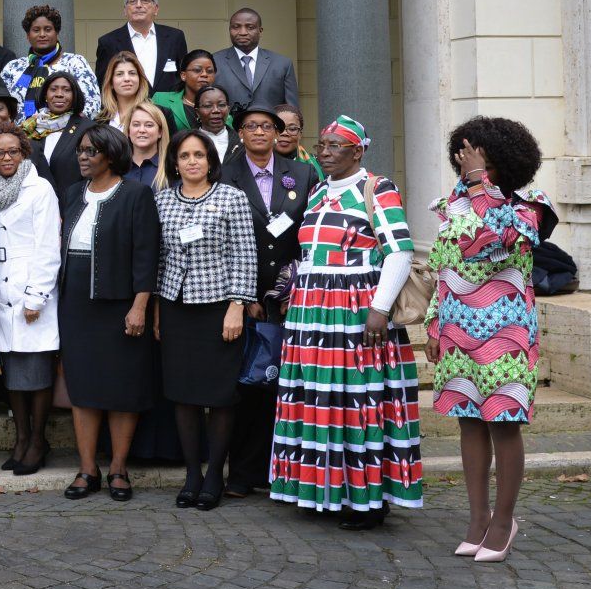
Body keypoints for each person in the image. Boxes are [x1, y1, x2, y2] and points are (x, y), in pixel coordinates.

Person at [270, 115, 423, 531]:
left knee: (359, 402)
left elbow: (399, 251)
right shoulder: (318, 191)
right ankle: (324, 491)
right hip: (312, 314)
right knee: (318, 400)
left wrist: (380, 307)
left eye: (335, 145)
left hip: (357, 310)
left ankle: (367, 501)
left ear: (358, 151)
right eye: (321, 145)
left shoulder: (377, 188)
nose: (324, 152)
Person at [427, 116, 552, 563]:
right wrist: (434, 322)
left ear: (502, 161)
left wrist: (481, 185)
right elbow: (444, 267)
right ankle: (477, 518)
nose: (467, 165)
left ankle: (504, 520)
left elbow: (495, 239)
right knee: (469, 422)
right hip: (458, 329)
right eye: (462, 157)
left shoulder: (529, 205)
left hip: (506, 333)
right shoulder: (453, 203)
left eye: (476, 157)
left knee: (502, 423)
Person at [55, 123, 160, 503]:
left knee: (122, 387)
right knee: (82, 388)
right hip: (76, 304)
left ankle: (118, 468)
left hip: (120, 304)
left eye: (90, 152)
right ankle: (87, 469)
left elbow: (147, 255)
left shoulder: (135, 195)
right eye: (80, 151)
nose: (82, 157)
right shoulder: (71, 193)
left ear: (111, 155)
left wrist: (139, 306)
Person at [155, 130, 257, 511]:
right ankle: (191, 475)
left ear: (210, 161)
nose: (192, 161)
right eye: (184, 156)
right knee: (183, 395)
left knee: (220, 395)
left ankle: (215, 473)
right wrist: (156, 313)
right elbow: (159, 258)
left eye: (199, 155)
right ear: (175, 162)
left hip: (219, 309)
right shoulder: (163, 200)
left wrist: (237, 306)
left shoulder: (231, 198)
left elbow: (245, 256)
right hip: (176, 307)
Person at [218, 106, 313, 499]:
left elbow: (309, 233)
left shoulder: (303, 174)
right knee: (248, 386)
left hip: (292, 298)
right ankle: (242, 472)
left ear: (278, 132)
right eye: (251, 126)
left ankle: (282, 472)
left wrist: (294, 290)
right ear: (240, 133)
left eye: (267, 126)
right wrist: (245, 296)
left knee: (285, 388)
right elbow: (222, 240)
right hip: (245, 299)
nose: (259, 131)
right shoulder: (225, 173)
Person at [0, 126, 62, 476]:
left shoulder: (39, 188)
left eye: (14, 151)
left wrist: (37, 295)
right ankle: (21, 438)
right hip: (1, 290)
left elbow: (48, 244)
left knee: (37, 372)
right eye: (0, 153)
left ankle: (38, 440)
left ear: (24, 152)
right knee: (12, 372)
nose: (7, 158)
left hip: (32, 290)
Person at [0, 3, 101, 122]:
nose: (42, 34)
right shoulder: (13, 67)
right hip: (19, 136)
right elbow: (1, 106)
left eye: (48, 29)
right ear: (28, 35)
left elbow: (92, 106)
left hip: (65, 135)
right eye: (36, 30)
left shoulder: (75, 63)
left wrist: (51, 127)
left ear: (56, 33)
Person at [95, 0, 190, 95]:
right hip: (129, 110)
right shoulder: (108, 42)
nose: (139, 5)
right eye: (133, 1)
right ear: (125, 10)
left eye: (145, 0)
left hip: (169, 110)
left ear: (156, 9)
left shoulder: (175, 37)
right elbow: (103, 84)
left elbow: (185, 76)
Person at [211, 8, 299, 113]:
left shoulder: (282, 64)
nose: (243, 32)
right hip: (230, 128)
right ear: (230, 30)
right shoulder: (214, 62)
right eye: (236, 27)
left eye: (250, 27)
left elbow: (292, 111)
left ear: (260, 31)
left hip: (270, 128)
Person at [22, 70, 91, 197]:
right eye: (53, 89)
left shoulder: (87, 129)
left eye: (66, 90)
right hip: (35, 206)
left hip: (73, 205)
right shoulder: (30, 128)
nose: (59, 94)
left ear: (74, 96)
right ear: (45, 95)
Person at [151, 48, 217, 133]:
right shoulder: (161, 99)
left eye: (210, 71)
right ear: (183, 75)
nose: (204, 74)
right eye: (197, 70)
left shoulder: (219, 105)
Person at [94, 49, 153, 131]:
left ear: (140, 80)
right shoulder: (99, 121)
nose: (127, 78)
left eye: (132, 73)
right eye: (119, 74)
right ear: (111, 82)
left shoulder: (159, 114)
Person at [123, 103, 171, 190]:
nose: (141, 130)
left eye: (149, 125)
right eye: (136, 124)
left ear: (160, 132)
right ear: (128, 131)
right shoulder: (117, 167)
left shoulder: (171, 167)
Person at [274, 103, 326, 183]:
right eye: (279, 128)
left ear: (300, 134)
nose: (284, 133)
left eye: (292, 129)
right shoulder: (256, 165)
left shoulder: (319, 165)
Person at [193, 85, 237, 163]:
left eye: (221, 105)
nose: (216, 110)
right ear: (197, 112)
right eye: (208, 106)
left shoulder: (241, 141)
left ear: (228, 110)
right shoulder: (186, 141)